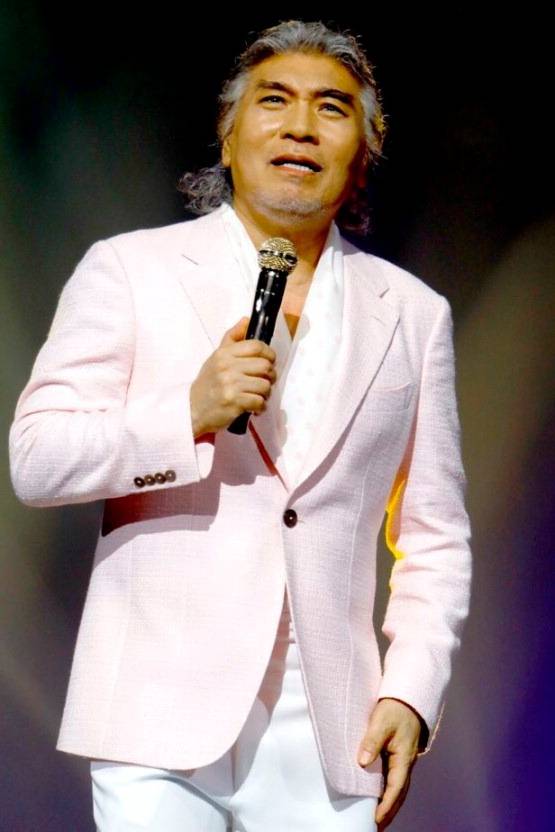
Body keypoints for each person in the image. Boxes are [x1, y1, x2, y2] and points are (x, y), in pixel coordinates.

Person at [8, 19, 472, 832]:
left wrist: (410, 691)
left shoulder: (412, 314)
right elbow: (38, 460)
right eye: (274, 100)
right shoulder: (130, 270)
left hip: (329, 726)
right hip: (155, 709)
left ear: (362, 154)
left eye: (331, 108)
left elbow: (434, 534)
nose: (300, 126)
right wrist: (186, 413)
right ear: (228, 138)